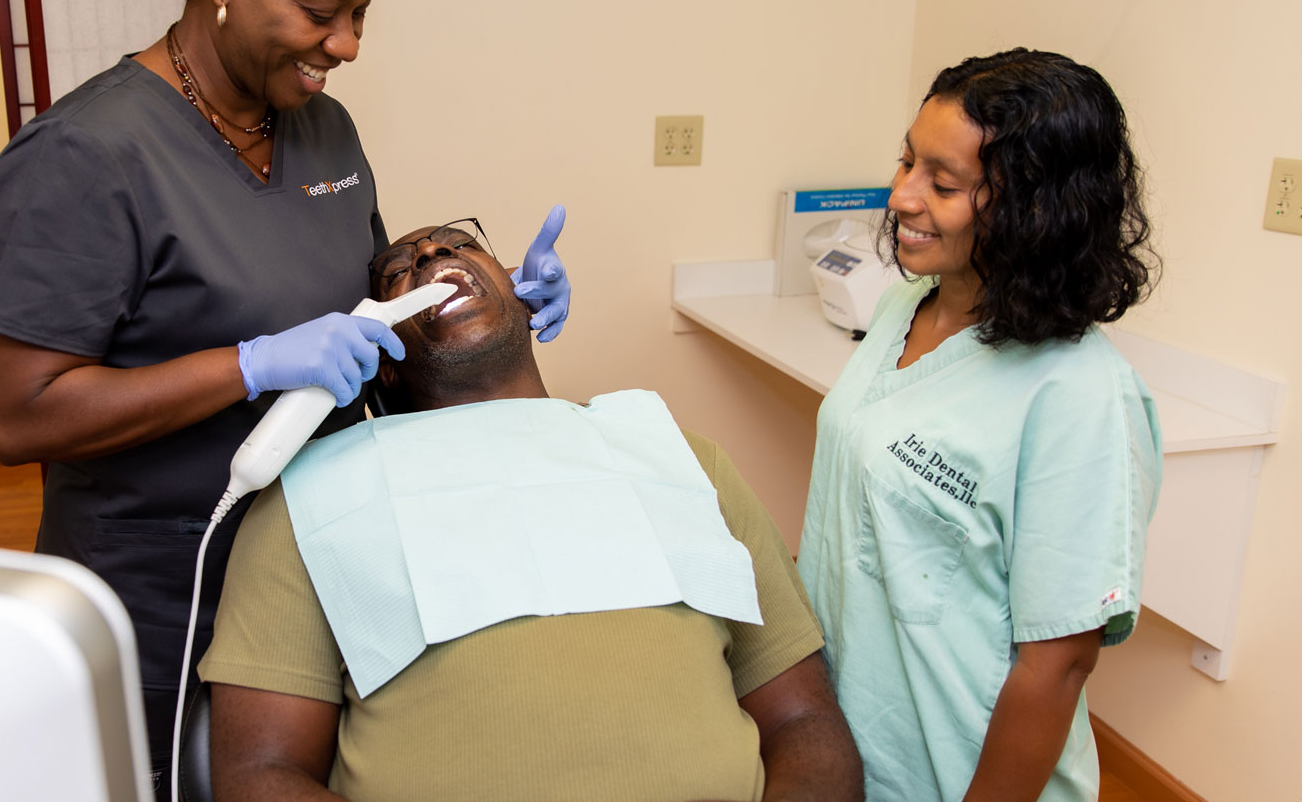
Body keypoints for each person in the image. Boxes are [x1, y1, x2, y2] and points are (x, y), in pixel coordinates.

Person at [0, 0, 572, 778]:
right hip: (168, 598)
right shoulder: (86, 155)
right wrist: (245, 365)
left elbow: (371, 324)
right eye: (319, 11)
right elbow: (20, 416)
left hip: (315, 577)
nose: (345, 44)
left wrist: (490, 311)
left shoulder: (322, 135)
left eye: (361, 12)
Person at [197, 220, 861, 801]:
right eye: (400, 271)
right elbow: (261, 772)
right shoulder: (312, 499)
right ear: (381, 363)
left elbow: (802, 718)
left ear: (525, 297)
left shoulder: (681, 459)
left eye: (460, 245)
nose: (432, 252)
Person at [797, 49, 1162, 802]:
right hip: (854, 748)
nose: (901, 197)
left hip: (961, 775)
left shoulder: (1080, 395)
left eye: (943, 183)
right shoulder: (907, 306)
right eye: (906, 162)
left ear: (1034, 209)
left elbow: (1057, 664)